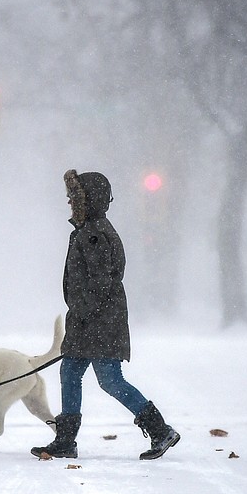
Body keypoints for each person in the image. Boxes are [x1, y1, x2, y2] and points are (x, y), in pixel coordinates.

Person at [31, 169, 181, 461]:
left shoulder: (95, 234)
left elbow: (103, 282)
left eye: (74, 197)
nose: (69, 201)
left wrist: (83, 314)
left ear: (88, 200)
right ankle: (65, 440)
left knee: (110, 380)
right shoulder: (89, 231)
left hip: (100, 322)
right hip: (92, 320)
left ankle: (160, 430)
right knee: (71, 371)